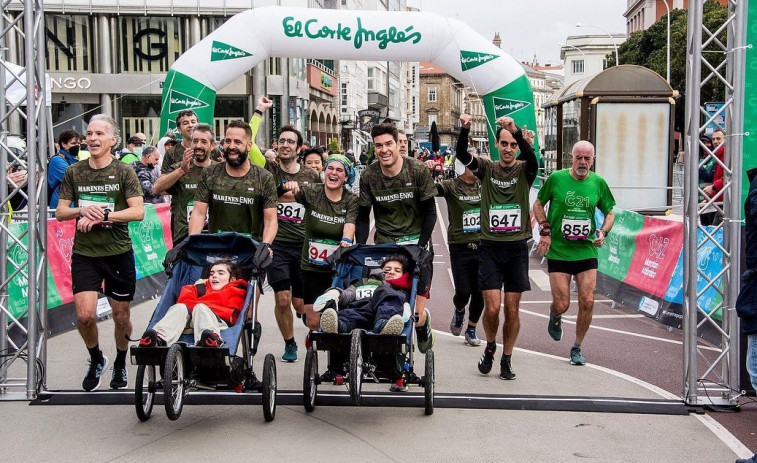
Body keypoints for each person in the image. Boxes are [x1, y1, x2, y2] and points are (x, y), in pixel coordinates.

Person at [55, 114, 145, 391]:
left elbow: (138, 211)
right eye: (89, 133)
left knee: (121, 317)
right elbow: (60, 212)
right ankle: (96, 358)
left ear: (113, 141)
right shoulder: (75, 172)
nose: (92, 138)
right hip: (86, 254)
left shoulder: (123, 172)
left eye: (99, 134)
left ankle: (120, 360)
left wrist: (105, 216)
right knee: (84, 316)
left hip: (118, 252)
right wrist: (82, 210)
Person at [454, 114, 537, 380]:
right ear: (496, 145)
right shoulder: (487, 169)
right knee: (492, 308)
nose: (509, 149)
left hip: (516, 250)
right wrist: (464, 129)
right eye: (504, 144)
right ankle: (490, 346)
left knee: (512, 310)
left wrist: (517, 132)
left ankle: (507, 358)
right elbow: (460, 154)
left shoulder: (525, 170)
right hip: (489, 247)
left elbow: (533, 158)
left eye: (513, 145)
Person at [533, 140, 616, 366]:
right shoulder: (557, 178)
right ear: (572, 157)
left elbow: (610, 212)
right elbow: (538, 204)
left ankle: (577, 347)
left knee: (587, 300)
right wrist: (545, 229)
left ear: (593, 160)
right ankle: (555, 315)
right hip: (559, 251)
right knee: (562, 303)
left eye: (587, 158)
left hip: (586, 250)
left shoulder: (598, 183)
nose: (582, 162)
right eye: (578, 157)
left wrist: (604, 232)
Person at [356, 122, 436, 354]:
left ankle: (424, 324)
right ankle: (395, 364)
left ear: (398, 144)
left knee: (416, 315)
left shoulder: (417, 170)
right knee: (390, 307)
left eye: (388, 144)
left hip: (416, 246)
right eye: (378, 145)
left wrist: (420, 247)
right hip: (387, 247)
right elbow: (362, 216)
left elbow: (431, 213)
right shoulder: (369, 175)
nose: (384, 150)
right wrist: (360, 246)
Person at [281, 154, 359, 331]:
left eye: (339, 170)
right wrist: (286, 186)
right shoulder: (312, 191)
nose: (334, 173)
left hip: (336, 269)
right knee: (314, 322)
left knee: (336, 318)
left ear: (346, 177)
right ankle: (314, 342)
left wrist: (346, 239)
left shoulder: (351, 199)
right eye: (330, 168)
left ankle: (338, 353)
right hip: (311, 267)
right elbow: (277, 197)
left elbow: (350, 223)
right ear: (324, 172)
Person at [267, 124, 321, 363]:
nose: (286, 145)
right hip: (277, 245)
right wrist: (258, 112)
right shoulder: (268, 171)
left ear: (299, 149)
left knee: (300, 305)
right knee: (282, 299)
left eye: (291, 141)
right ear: (276, 145)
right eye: (282, 141)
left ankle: (303, 316)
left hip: (303, 246)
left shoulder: (311, 176)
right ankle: (290, 343)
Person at [188, 120, 277, 246]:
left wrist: (265, 246)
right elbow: (198, 213)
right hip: (216, 249)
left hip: (250, 251)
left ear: (249, 145)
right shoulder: (210, 173)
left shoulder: (264, 177)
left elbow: (270, 220)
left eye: (238, 142)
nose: (231, 146)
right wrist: (192, 243)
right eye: (228, 141)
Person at [138, 260, 247, 347]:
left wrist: (200, 305)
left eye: (220, 273)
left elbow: (231, 314)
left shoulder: (236, 290)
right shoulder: (199, 287)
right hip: (187, 321)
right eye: (211, 273)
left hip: (216, 324)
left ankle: (209, 339)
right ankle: (158, 338)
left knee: (200, 308)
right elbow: (183, 301)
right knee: (180, 307)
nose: (214, 276)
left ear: (232, 279)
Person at [435, 156, 483, 346]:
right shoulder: (451, 185)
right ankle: (460, 309)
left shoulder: (483, 184)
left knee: (480, 293)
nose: (476, 168)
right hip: (459, 245)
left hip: (482, 245)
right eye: (472, 165)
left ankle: (471, 328)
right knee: (463, 292)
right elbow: (429, 190)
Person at [153, 123, 216, 245]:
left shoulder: (219, 170)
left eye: (204, 142)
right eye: (195, 141)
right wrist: (181, 171)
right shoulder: (181, 167)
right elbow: (156, 188)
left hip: (213, 236)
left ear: (212, 146)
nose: (198, 145)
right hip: (184, 237)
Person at [317, 254, 410, 336]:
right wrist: (336, 294)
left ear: (403, 275)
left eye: (397, 270)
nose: (391, 272)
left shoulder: (400, 291)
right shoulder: (365, 282)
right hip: (360, 311)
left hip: (385, 315)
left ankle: (384, 324)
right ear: (381, 271)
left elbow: (404, 305)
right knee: (348, 313)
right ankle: (339, 325)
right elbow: (349, 294)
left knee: (387, 293)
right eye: (387, 270)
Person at [48, 129, 81, 209]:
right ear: (63, 144)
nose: (77, 146)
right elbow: (74, 178)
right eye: (73, 143)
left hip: (72, 205)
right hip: (61, 206)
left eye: (78, 143)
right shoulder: (57, 160)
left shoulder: (72, 159)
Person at [162, 110, 198, 175]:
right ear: (179, 129)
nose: (190, 125)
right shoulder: (170, 153)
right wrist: (181, 169)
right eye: (185, 123)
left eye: (193, 122)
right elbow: (162, 182)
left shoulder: (210, 150)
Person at [701, 131, 724, 226]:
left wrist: (713, 187)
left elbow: (729, 178)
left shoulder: (726, 155)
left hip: (723, 203)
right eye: (713, 139)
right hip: (716, 200)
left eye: (718, 138)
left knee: (714, 234)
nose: (715, 141)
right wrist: (708, 199)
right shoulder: (718, 155)